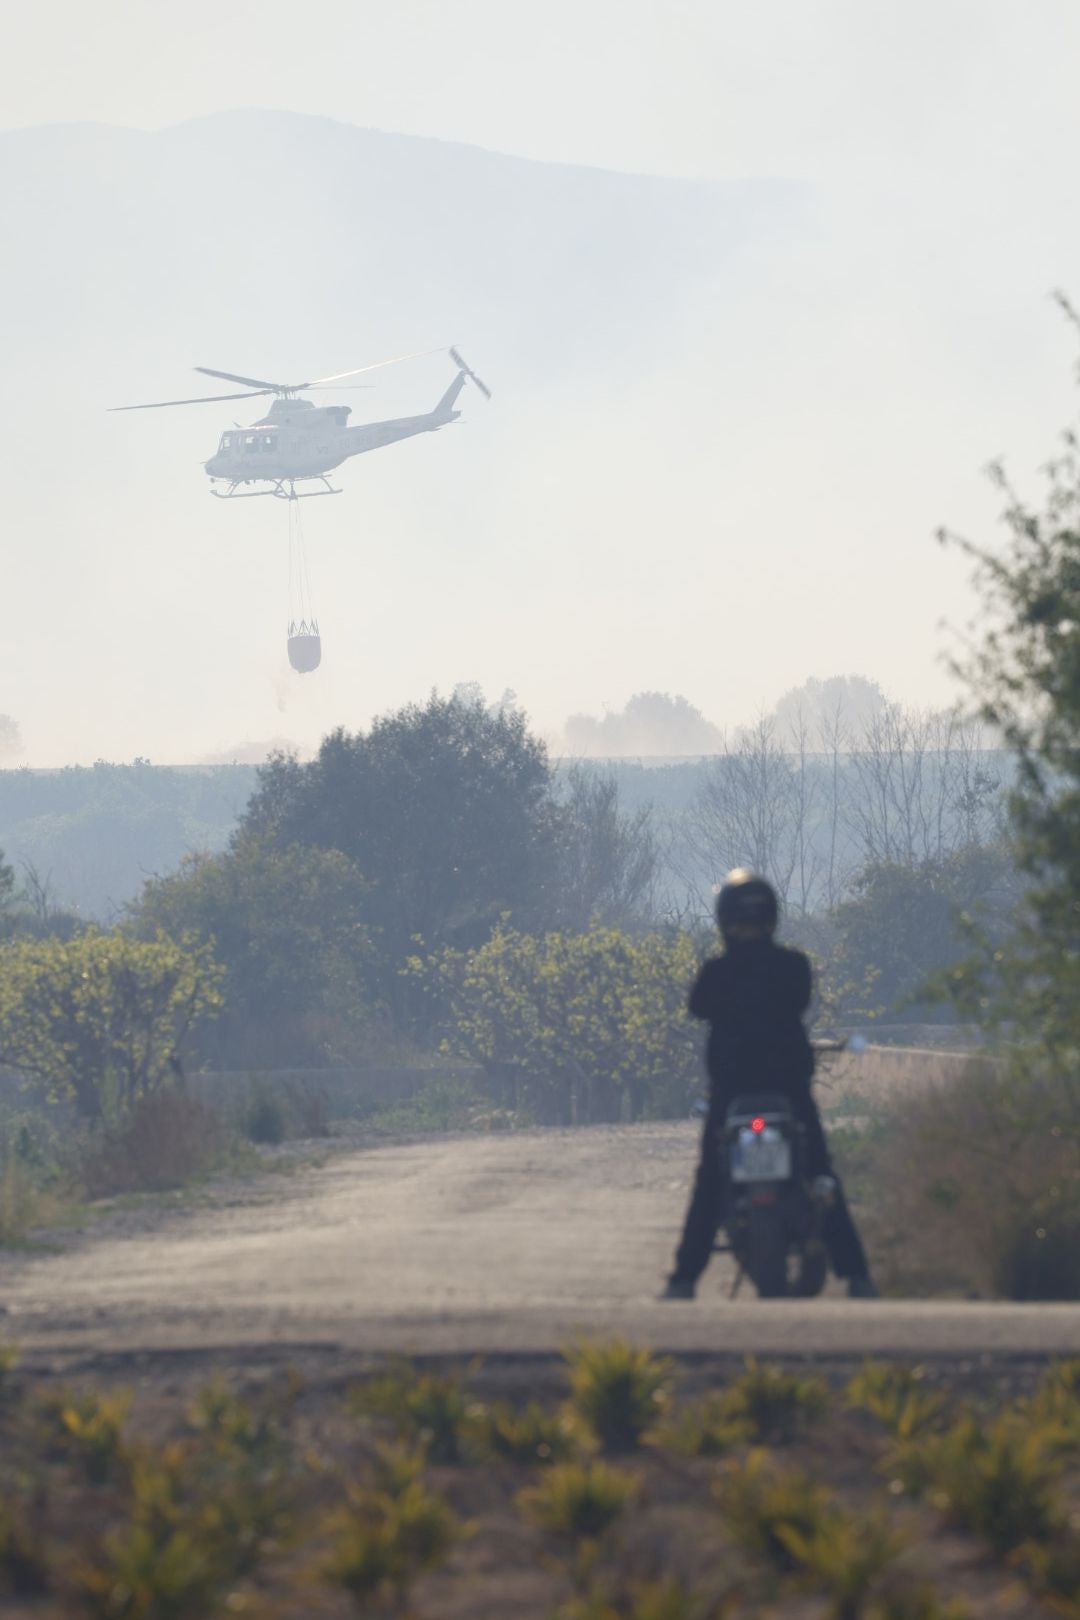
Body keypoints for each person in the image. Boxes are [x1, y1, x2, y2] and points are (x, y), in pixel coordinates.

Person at [662, 869, 877, 1300]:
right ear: (772, 917)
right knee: (820, 1173)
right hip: (789, 1091)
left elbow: (697, 1007)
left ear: (724, 920)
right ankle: (857, 1276)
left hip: (731, 1093)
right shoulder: (792, 965)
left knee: (711, 1181)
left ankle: (684, 1280)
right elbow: (798, 1001)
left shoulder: (716, 972)